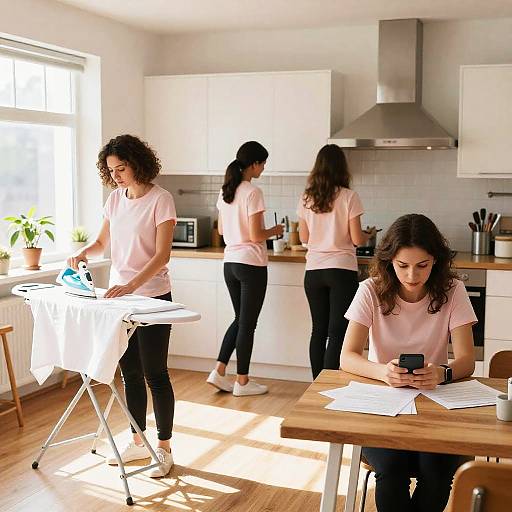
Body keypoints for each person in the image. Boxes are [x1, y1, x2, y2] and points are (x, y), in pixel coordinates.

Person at [341, 213, 476, 512]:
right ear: (390, 261)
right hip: (382, 406)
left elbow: (468, 360)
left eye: (422, 266)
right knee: (391, 469)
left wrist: (443, 373)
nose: (412, 276)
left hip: (436, 405)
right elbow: (347, 356)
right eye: (403, 266)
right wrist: (382, 371)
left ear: (436, 262)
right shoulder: (370, 291)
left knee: (439, 472)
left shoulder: (453, 291)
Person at [67, 134, 177, 478]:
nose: (115, 175)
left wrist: (133, 284)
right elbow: (103, 242)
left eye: (122, 168)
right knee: (129, 374)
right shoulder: (115, 200)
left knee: (155, 373)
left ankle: (164, 448)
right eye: (111, 169)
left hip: (154, 296)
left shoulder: (162, 200)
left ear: (138, 163)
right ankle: (137, 439)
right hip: (122, 299)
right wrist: (84, 252)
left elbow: (162, 254)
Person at [206, 141, 283, 396]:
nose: (263, 168)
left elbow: (220, 230)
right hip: (251, 264)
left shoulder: (226, 190)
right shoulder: (252, 192)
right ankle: (242, 382)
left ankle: (218, 371)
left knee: (240, 320)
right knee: (248, 324)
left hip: (230, 263)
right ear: (254, 164)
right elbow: (255, 233)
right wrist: (276, 231)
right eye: (263, 164)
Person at [297, 144, 374, 379]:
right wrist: (368, 234)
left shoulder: (307, 197)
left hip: (314, 272)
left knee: (318, 331)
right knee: (337, 331)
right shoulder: (349, 197)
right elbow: (357, 239)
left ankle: (315, 383)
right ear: (342, 168)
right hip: (341, 270)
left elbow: (304, 238)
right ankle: (328, 384)